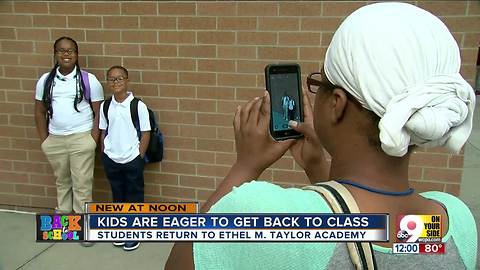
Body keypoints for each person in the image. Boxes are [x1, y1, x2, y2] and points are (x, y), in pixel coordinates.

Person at [166, 2, 477, 270]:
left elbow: (183, 263)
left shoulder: (263, 215)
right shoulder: (452, 223)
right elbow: (379, 236)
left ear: (336, 104)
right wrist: (318, 167)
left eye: (320, 84)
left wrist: (245, 165)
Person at [34, 36, 103, 215]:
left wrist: (92, 141)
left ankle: (83, 226)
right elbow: (39, 111)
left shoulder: (89, 80)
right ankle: (64, 222)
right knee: (62, 182)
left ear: (77, 54)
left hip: (81, 137)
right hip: (55, 139)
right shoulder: (45, 80)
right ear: (55, 54)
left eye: (70, 50)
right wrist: (45, 141)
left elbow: (99, 113)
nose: (66, 54)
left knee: (82, 185)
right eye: (61, 50)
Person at [99, 65, 151, 251]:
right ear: (108, 82)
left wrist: (139, 156)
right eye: (112, 79)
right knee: (118, 196)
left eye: (120, 78)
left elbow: (146, 133)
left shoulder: (138, 105)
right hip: (112, 159)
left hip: (132, 159)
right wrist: (105, 152)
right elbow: (103, 131)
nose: (116, 82)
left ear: (127, 80)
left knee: (134, 197)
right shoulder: (106, 106)